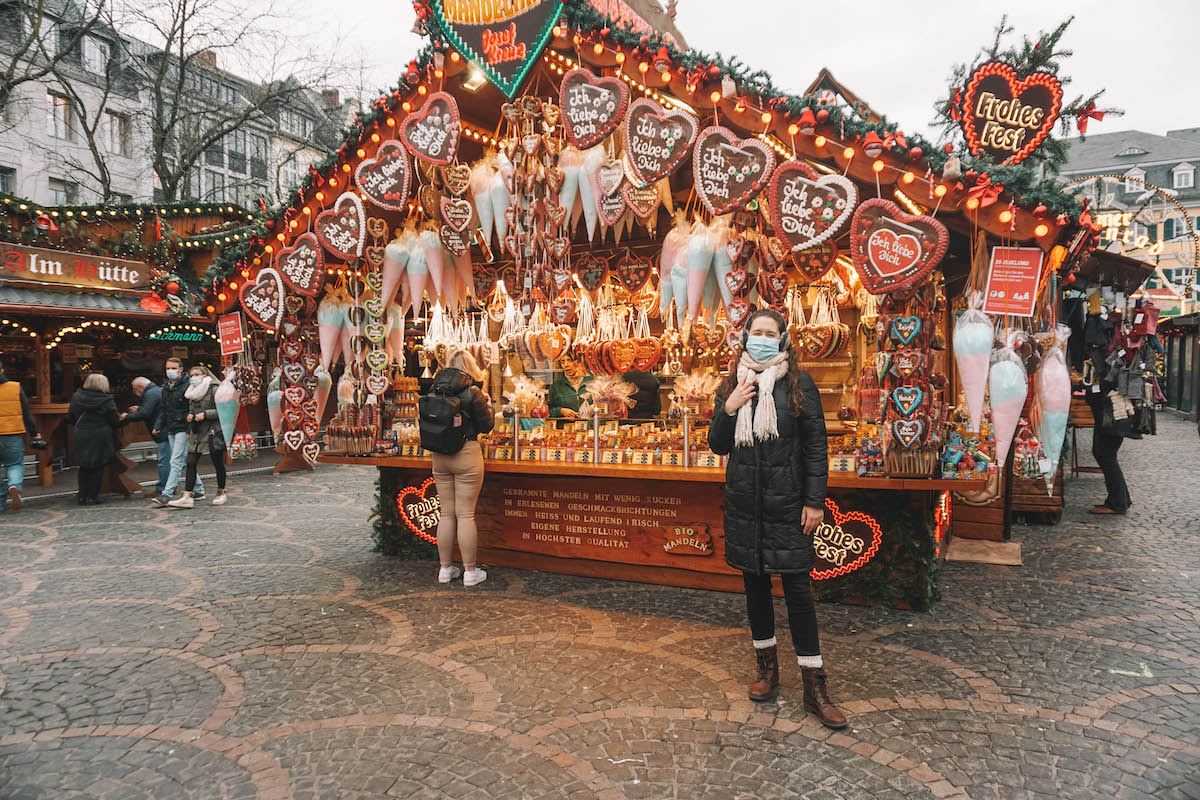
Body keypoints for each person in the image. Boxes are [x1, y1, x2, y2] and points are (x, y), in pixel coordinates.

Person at [708, 308, 846, 730]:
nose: (763, 338)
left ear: (783, 339)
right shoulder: (732, 383)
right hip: (746, 504)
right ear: (745, 337)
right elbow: (717, 445)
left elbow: (815, 447)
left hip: (788, 504)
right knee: (755, 588)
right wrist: (728, 408)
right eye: (757, 332)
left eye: (771, 333)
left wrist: (814, 500)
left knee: (799, 593)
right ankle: (767, 669)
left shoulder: (798, 383)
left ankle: (814, 684)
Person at [429, 349, 494, 586]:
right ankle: (469, 572)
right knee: (465, 514)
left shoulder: (434, 390)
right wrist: (489, 407)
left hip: (439, 455)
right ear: (470, 368)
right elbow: (486, 426)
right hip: (467, 454)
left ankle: (445, 570)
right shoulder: (473, 392)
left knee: (446, 513)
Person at [167, 366, 227, 508]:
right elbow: (191, 409)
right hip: (197, 431)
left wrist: (205, 414)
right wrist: (189, 416)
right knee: (190, 462)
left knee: (217, 462)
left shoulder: (214, 389)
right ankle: (188, 495)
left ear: (204, 375)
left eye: (196, 374)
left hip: (213, 430)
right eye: (191, 374)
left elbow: (223, 410)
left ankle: (221, 491)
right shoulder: (191, 391)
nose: (193, 377)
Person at [153, 358, 203, 506]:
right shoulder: (167, 387)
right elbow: (163, 408)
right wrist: (158, 425)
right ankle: (198, 489)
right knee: (184, 460)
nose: (170, 371)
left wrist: (189, 428)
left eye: (173, 368)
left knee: (175, 460)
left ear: (181, 369)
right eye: (168, 368)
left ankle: (166, 494)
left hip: (183, 426)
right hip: (171, 427)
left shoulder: (188, 385)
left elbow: (192, 408)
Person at [67, 373, 120, 505]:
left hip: (81, 433)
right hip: (100, 434)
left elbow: (70, 417)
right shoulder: (107, 399)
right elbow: (115, 420)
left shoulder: (76, 397)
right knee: (98, 466)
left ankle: (82, 496)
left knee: (83, 466)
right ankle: (93, 496)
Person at [0, 357, 40, 512]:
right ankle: (14, 485)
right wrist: (34, 433)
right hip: (12, 433)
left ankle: (0, 503)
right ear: (2, 370)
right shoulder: (15, 387)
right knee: (14, 464)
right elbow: (26, 413)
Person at [121, 377, 166, 499]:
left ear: (139, 387)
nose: (136, 393)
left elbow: (145, 414)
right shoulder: (156, 391)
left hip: (161, 432)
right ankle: (170, 487)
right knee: (173, 461)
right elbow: (153, 410)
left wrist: (126, 417)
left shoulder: (150, 394)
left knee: (165, 462)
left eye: (135, 390)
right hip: (163, 431)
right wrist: (140, 409)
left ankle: (163, 489)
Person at [548, 353, 593, 418]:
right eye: (562, 362)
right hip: (567, 426)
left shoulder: (592, 381)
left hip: (590, 426)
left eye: (570, 360)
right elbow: (548, 410)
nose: (566, 365)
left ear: (579, 362)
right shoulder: (556, 385)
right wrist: (561, 411)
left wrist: (595, 408)